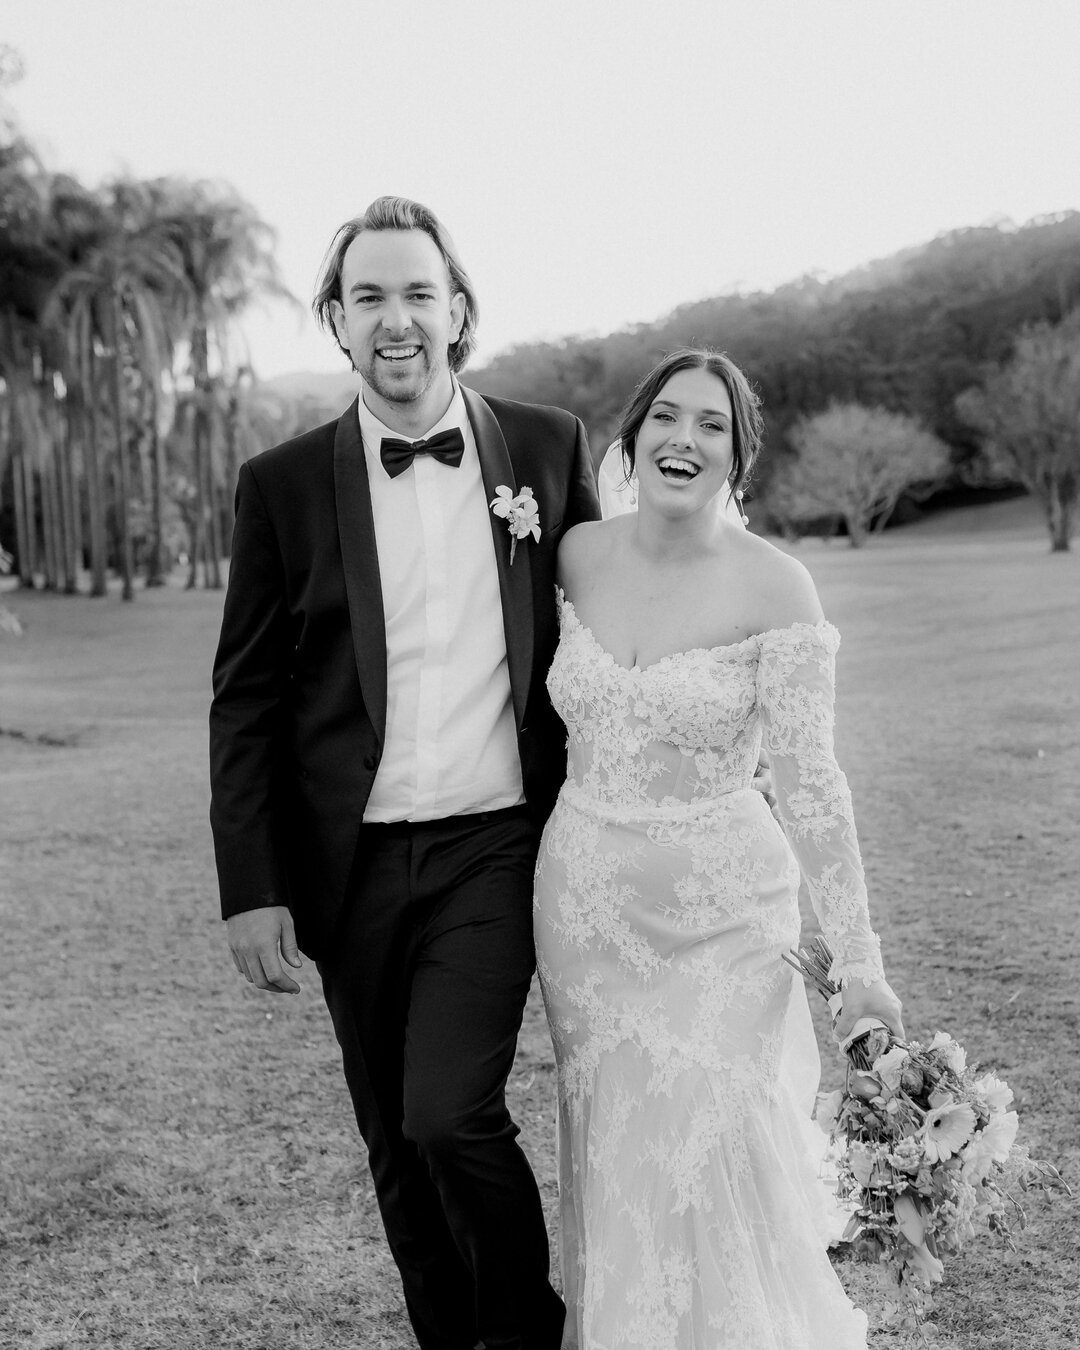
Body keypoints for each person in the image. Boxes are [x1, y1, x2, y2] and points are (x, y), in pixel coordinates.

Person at [209, 195, 600, 1350]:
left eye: (417, 292)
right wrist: (252, 882)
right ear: (334, 319)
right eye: (368, 296)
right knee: (391, 1139)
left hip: (497, 844)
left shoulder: (546, 445)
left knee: (448, 1113)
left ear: (459, 309)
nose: (396, 319)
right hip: (350, 866)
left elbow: (611, 620)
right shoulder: (278, 486)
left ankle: (526, 1332)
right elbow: (247, 697)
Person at [534, 347, 904, 1349]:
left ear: (738, 458)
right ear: (633, 436)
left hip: (726, 922)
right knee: (619, 1148)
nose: (683, 439)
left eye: (711, 425)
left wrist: (859, 964)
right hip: (585, 914)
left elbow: (814, 787)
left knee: (716, 1146)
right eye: (667, 417)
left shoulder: (778, 588)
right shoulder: (572, 557)